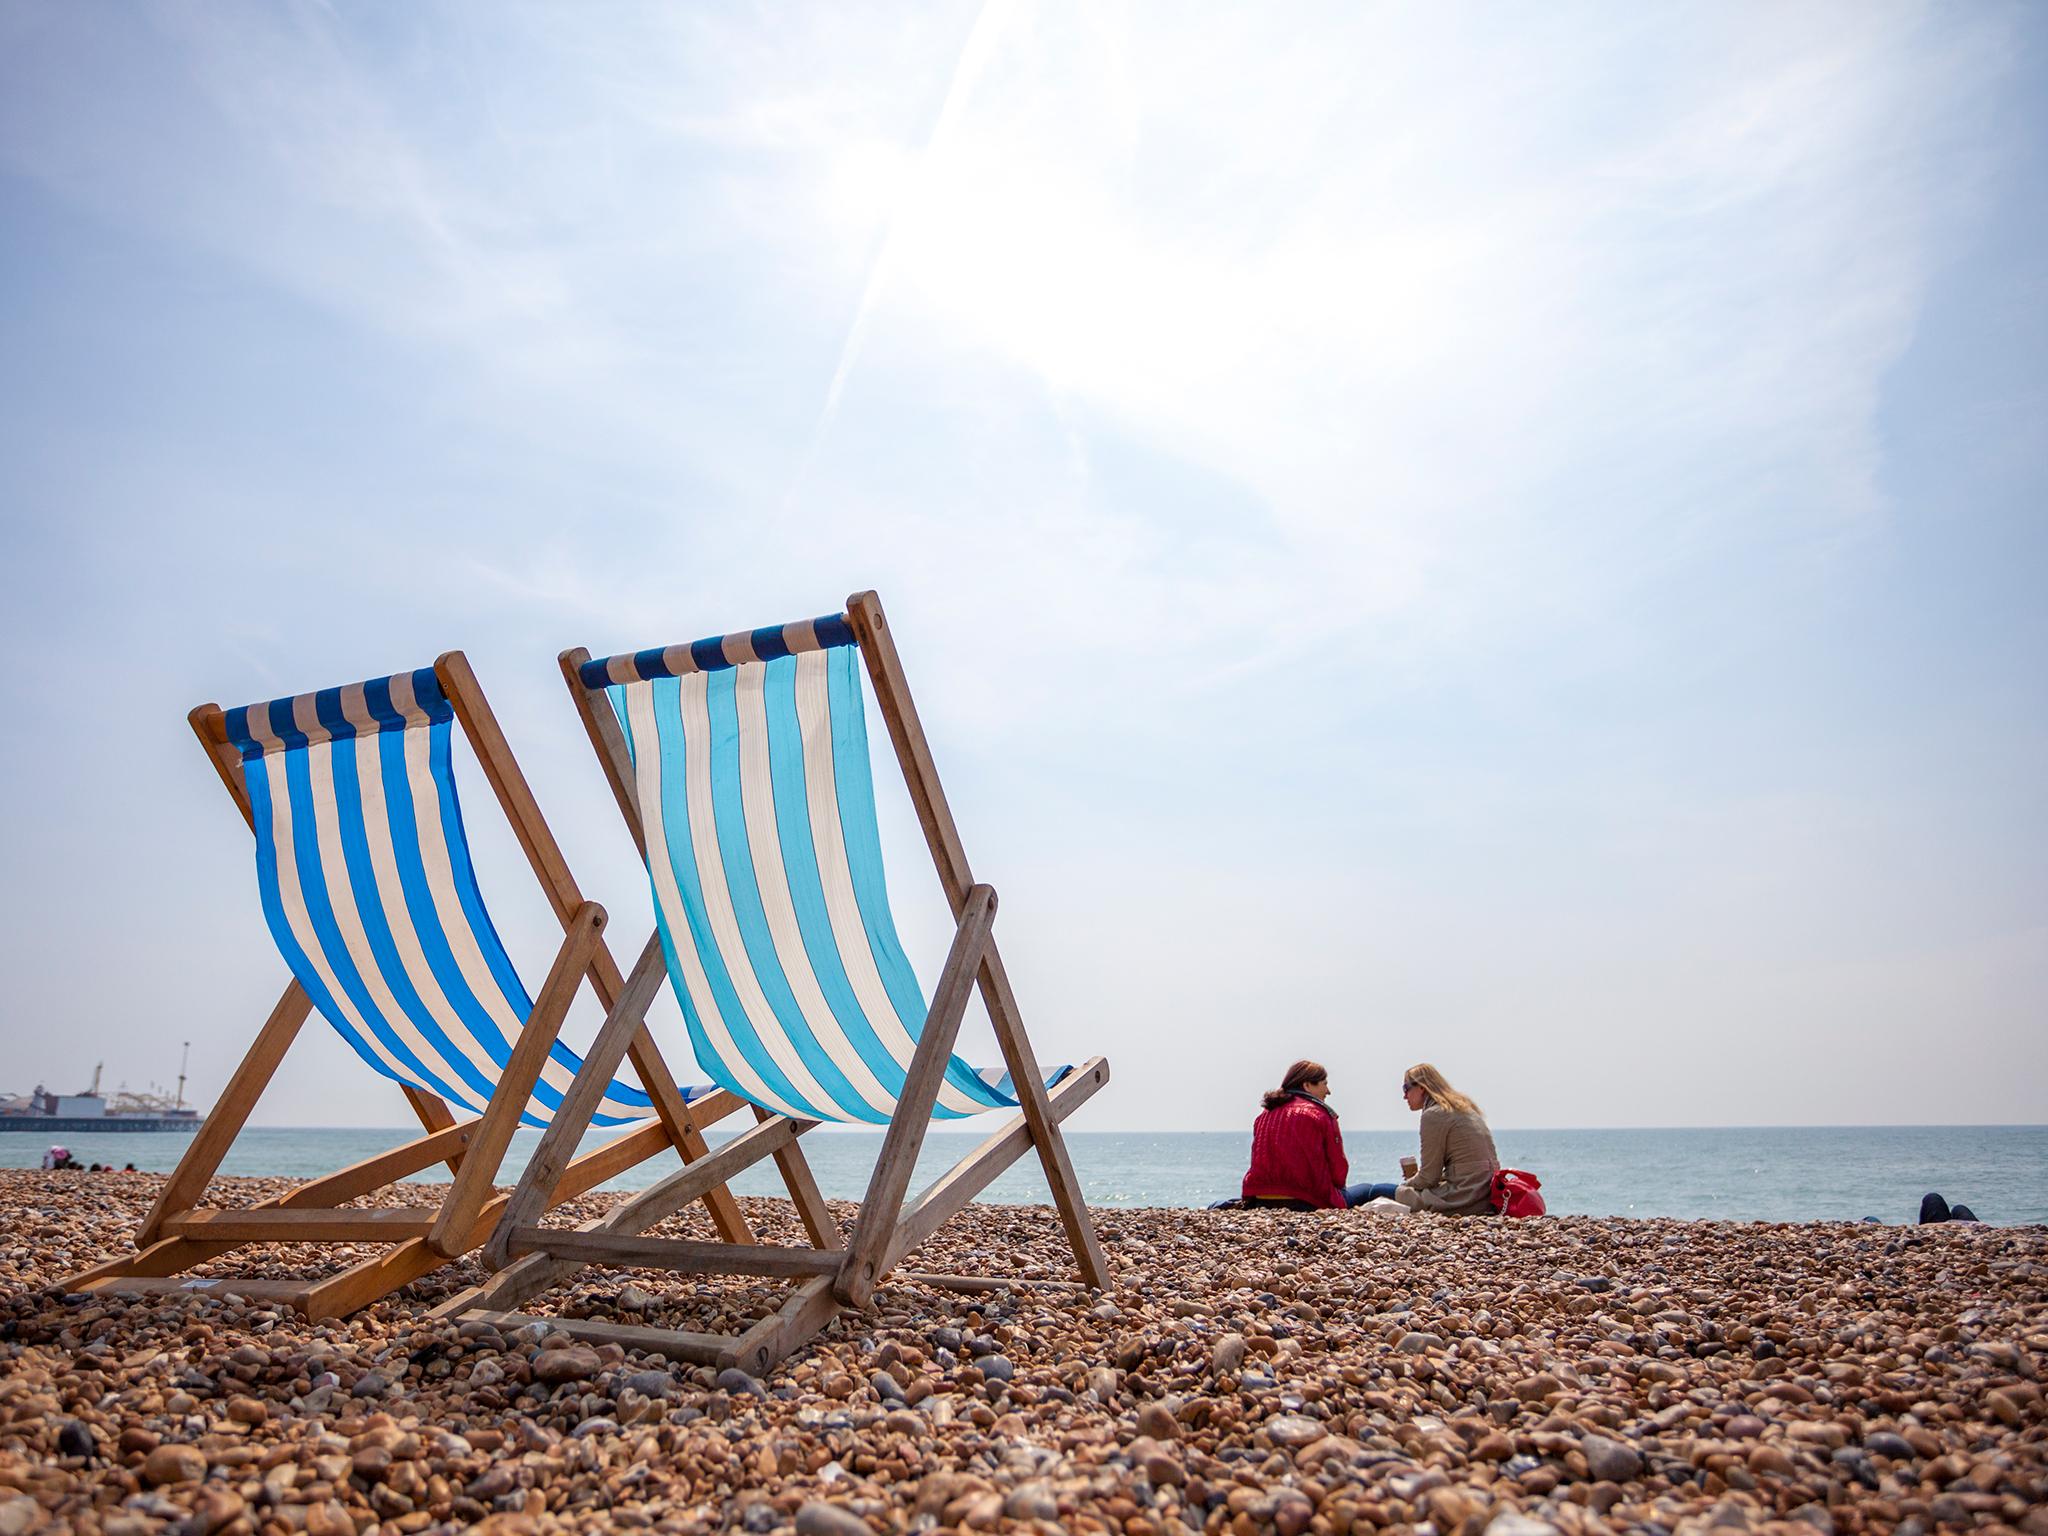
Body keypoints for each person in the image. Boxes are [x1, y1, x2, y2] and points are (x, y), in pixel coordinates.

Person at [1381, 1063, 1501, 1215]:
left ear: (1422, 1087)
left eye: (1406, 1089)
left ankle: (1341, 1201)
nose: (1404, 1096)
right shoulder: (1465, 1108)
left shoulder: (1434, 1114)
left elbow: (1429, 1178)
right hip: (1486, 1195)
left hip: (1463, 1199)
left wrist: (1404, 1185)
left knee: (1376, 1190)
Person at [1240, 1060, 1351, 1209]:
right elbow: (1338, 1171)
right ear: (1307, 1085)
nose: (1328, 1091)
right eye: (1324, 1083)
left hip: (1261, 1197)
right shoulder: (1321, 1114)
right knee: (1372, 1190)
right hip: (1309, 1198)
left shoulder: (1265, 1114)